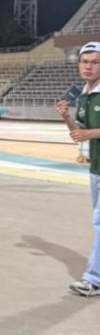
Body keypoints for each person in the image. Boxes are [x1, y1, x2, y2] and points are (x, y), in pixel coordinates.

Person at [55, 41, 100, 297]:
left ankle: (94, 279)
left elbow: (88, 133)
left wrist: (89, 133)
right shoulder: (84, 96)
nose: (88, 67)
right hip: (96, 168)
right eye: (85, 62)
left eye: (95, 62)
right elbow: (78, 133)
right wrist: (66, 117)